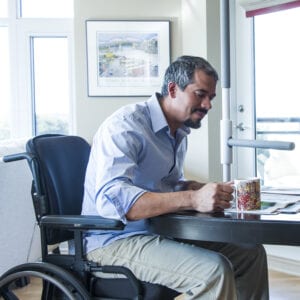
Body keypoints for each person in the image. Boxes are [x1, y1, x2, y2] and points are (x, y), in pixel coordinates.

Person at [82, 55, 269, 299]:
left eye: (210, 98)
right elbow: (114, 202)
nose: (208, 105)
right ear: (172, 89)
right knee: (214, 271)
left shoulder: (178, 132)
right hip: (113, 240)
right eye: (200, 94)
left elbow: (165, 186)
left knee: (249, 253)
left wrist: (196, 187)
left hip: (155, 231)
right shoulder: (125, 126)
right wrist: (192, 198)